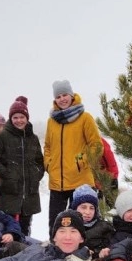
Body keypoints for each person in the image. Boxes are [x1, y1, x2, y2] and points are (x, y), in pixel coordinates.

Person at [44, 79, 102, 229]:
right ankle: (55, 250)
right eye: (58, 96)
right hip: (57, 182)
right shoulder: (52, 121)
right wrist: (49, 164)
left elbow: (96, 145)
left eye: (65, 95)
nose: (62, 99)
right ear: (55, 99)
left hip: (80, 180)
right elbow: (48, 146)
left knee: (83, 223)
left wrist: (81, 161)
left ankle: (84, 250)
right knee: (55, 224)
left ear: (71, 95)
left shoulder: (85, 118)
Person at [0, 97, 44, 237]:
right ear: (10, 118)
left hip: (29, 191)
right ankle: (10, 253)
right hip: (10, 190)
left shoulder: (33, 138)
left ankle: (25, 250)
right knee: (8, 226)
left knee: (26, 226)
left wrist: (37, 174)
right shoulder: (3, 136)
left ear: (27, 118)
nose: (19, 120)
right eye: (15, 117)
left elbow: (39, 160)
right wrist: (6, 174)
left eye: (22, 117)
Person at [69, 183, 114, 258]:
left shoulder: (105, 228)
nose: (87, 212)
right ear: (75, 208)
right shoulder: (65, 227)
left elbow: (112, 249)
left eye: (91, 208)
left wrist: (99, 254)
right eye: (83, 207)